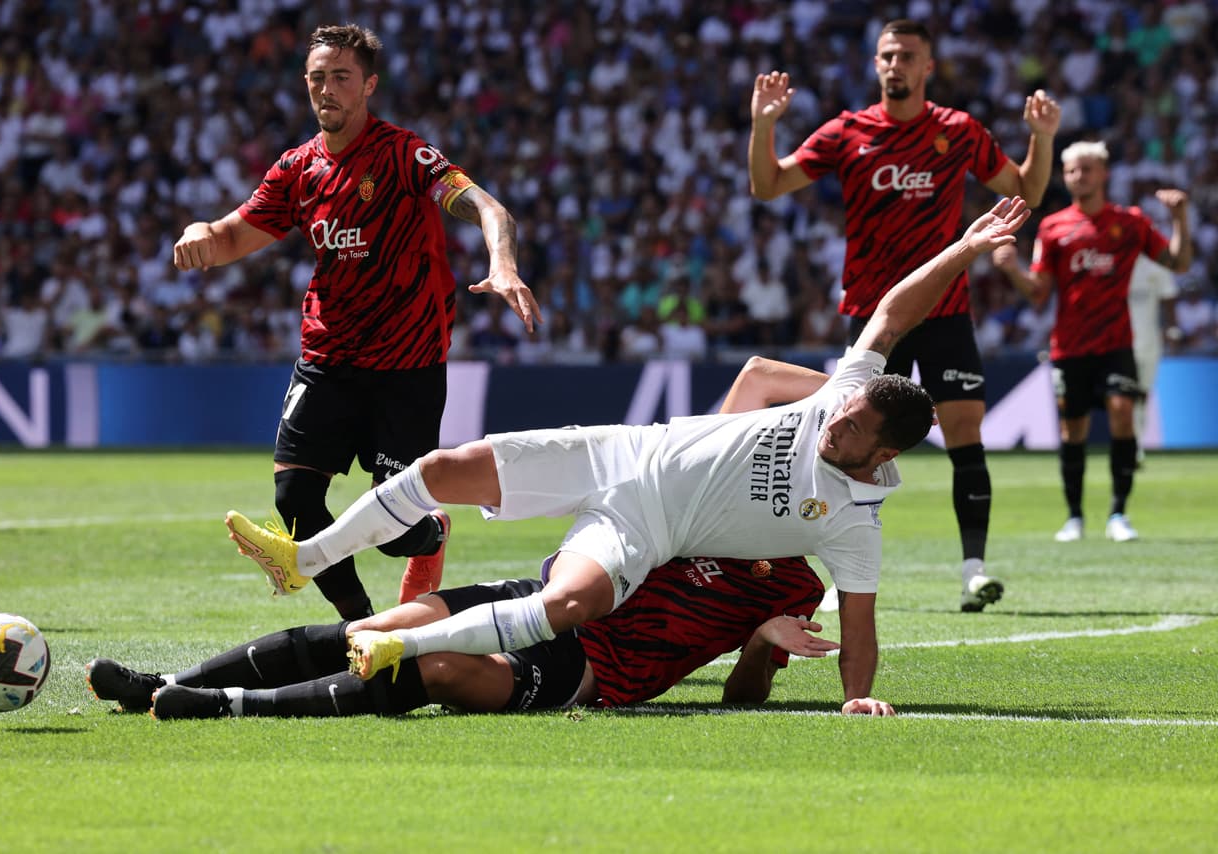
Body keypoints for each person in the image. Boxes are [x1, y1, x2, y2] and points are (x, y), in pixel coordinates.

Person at [223, 197, 1032, 717]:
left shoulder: (851, 523)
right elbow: (890, 314)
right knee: (444, 469)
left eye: (852, 428)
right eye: (843, 408)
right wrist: (961, 249)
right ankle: (306, 559)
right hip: (619, 451)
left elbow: (861, 624)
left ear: (881, 455)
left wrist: (861, 698)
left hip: (646, 525)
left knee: (568, 602)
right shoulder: (842, 393)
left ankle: (406, 645)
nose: (833, 422)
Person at [172, 25, 541, 620]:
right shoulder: (297, 169)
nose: (327, 89)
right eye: (317, 77)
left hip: (407, 363)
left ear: (369, 84)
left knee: (397, 533)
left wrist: (502, 264)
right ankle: (363, 629)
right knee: (294, 499)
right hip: (328, 357)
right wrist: (201, 234)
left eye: (341, 77)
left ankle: (433, 535)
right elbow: (233, 233)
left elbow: (486, 206)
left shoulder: (403, 154)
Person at [747, 19, 1063, 612]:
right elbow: (769, 185)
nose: (896, 64)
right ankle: (842, 577)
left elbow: (1026, 188)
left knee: (966, 432)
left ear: (927, 67)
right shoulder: (848, 131)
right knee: (846, 441)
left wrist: (1041, 139)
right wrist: (764, 125)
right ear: (876, 64)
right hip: (873, 319)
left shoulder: (958, 130)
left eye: (908, 56)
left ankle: (974, 570)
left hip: (946, 311)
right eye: (888, 55)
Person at [85, 554, 838, 719]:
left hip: (594, 662)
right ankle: (163, 683)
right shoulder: (704, 495)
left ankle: (222, 703)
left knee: (437, 671)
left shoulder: (797, 585)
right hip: (540, 598)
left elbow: (743, 695)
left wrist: (762, 637)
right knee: (368, 630)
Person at [991, 141, 1191, 543]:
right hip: (1070, 347)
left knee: (1121, 412)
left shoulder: (1130, 223)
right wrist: (1012, 269)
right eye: (1071, 171)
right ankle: (1075, 517)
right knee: (1073, 430)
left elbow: (1178, 263)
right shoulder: (1053, 228)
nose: (1078, 177)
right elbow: (1038, 292)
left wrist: (1180, 219)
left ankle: (1119, 513)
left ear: (1104, 174)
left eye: (1086, 169)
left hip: (1117, 343)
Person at [1126, 255, 1180, 465]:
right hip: (1117, 342)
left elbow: (1169, 299)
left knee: (1141, 396)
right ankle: (1127, 446)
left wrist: (1173, 332)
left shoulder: (1157, 265)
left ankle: (1136, 445)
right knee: (1123, 396)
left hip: (1149, 343)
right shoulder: (1113, 260)